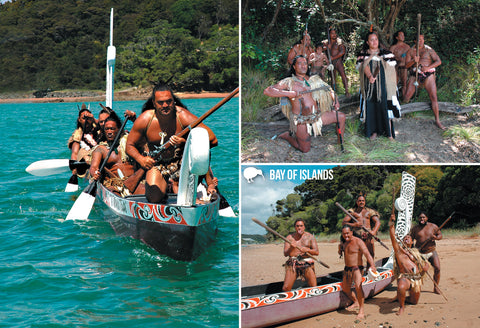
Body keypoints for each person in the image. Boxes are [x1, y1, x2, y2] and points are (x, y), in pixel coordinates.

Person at [125, 83, 218, 203]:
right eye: (161, 102)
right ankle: (164, 192)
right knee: (154, 198)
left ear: (174, 101)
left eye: (169, 101)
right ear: (154, 103)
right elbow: (129, 146)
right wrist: (141, 159)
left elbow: (213, 139)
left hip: (182, 163)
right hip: (158, 163)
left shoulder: (182, 116)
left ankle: (188, 191)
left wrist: (186, 142)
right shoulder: (145, 119)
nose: (165, 105)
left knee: (186, 197)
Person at [263, 55, 345, 153]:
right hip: (301, 120)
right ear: (294, 66)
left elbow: (328, 89)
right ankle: (287, 136)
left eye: (305, 63)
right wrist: (288, 93)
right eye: (299, 63)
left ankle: (341, 143)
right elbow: (268, 91)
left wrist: (335, 100)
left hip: (317, 116)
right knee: (305, 149)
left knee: (341, 117)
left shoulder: (314, 80)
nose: (303, 66)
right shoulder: (289, 82)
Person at [357, 30, 399, 140]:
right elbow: (362, 66)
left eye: (376, 39)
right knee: (371, 108)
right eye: (371, 40)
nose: (374, 42)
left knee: (385, 107)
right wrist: (370, 76)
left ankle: (389, 133)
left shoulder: (386, 54)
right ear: (367, 42)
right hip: (369, 87)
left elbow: (391, 72)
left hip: (384, 87)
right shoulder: (363, 54)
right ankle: (373, 131)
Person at [89, 114, 142, 196]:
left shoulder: (129, 144)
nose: (109, 132)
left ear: (119, 130)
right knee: (114, 193)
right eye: (107, 129)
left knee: (145, 190)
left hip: (134, 182)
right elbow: (93, 167)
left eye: (112, 129)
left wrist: (134, 120)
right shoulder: (100, 149)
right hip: (114, 186)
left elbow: (143, 134)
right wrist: (94, 173)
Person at [389, 213, 429, 315]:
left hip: (416, 279)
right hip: (405, 277)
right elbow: (393, 237)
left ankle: (399, 297)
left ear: (412, 242)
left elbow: (425, 264)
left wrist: (425, 268)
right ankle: (401, 307)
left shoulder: (416, 252)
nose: (406, 238)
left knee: (414, 302)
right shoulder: (399, 252)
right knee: (401, 287)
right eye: (404, 238)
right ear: (402, 242)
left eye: (409, 238)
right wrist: (391, 224)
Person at [403, 34, 445, 130]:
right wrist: (414, 60)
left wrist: (428, 67)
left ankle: (437, 120)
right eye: (419, 40)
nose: (421, 41)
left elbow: (438, 61)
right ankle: (403, 116)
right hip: (415, 74)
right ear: (415, 41)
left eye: (422, 39)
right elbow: (406, 66)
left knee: (433, 97)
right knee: (406, 97)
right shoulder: (410, 51)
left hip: (428, 74)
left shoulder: (428, 49)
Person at [340, 225, 376, 320]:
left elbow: (367, 254)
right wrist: (340, 249)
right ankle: (355, 301)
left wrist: (372, 265)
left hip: (357, 269)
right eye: (344, 234)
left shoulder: (358, 241)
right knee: (345, 289)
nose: (346, 235)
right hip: (347, 269)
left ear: (352, 232)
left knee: (358, 287)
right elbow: (342, 250)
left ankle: (361, 310)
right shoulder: (343, 242)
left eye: (347, 233)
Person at [341, 194, 380, 266]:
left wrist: (374, 231)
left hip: (368, 235)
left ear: (365, 202)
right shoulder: (352, 212)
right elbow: (344, 223)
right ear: (356, 202)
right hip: (357, 235)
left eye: (363, 201)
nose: (361, 202)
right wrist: (354, 225)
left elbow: (377, 222)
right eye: (359, 201)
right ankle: (359, 270)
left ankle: (370, 269)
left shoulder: (370, 211)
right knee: (358, 254)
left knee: (370, 254)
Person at [409, 211, 443, 294]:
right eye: (420, 217)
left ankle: (436, 287)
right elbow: (410, 240)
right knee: (417, 271)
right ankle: (415, 287)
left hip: (431, 251)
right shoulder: (415, 229)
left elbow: (440, 236)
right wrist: (413, 250)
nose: (422, 219)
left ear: (427, 218)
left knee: (437, 268)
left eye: (423, 217)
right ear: (418, 218)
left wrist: (435, 237)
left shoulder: (433, 226)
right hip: (420, 253)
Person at [282, 219, 319, 291]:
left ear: (304, 227)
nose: (299, 228)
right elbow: (285, 254)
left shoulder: (310, 237)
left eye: (301, 226)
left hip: (306, 263)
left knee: (313, 286)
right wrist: (291, 248)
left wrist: (307, 250)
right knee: (286, 288)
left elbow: (316, 252)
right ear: (295, 227)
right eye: (297, 226)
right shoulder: (289, 238)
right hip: (293, 263)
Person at [67, 104, 100, 177]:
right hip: (86, 159)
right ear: (79, 120)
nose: (86, 121)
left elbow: (105, 124)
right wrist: (74, 169)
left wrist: (92, 117)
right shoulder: (78, 134)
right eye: (84, 118)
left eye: (88, 118)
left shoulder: (98, 129)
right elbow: (75, 153)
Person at [324, 28, 349, 96]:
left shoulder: (339, 41)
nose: (334, 35)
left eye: (335, 33)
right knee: (332, 77)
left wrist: (333, 58)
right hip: (331, 62)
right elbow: (320, 49)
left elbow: (342, 52)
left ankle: (347, 91)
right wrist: (326, 47)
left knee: (343, 75)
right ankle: (333, 92)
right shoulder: (326, 42)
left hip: (338, 61)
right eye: (332, 33)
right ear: (329, 34)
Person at [389, 31, 411, 100]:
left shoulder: (407, 47)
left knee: (404, 84)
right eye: (401, 35)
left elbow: (411, 57)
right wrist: (397, 58)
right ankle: (393, 100)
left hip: (404, 67)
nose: (403, 37)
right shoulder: (393, 47)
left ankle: (405, 100)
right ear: (397, 37)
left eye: (403, 35)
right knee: (393, 84)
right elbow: (389, 58)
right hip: (395, 67)